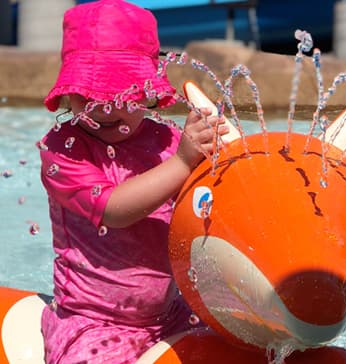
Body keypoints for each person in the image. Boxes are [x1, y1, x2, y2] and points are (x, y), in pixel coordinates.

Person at [39, 0, 229, 363]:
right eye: (87, 94)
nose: (104, 108)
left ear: (147, 90)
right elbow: (114, 209)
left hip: (172, 312)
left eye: (119, 93)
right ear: (67, 91)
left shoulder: (168, 141)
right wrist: (184, 162)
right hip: (94, 321)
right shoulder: (63, 151)